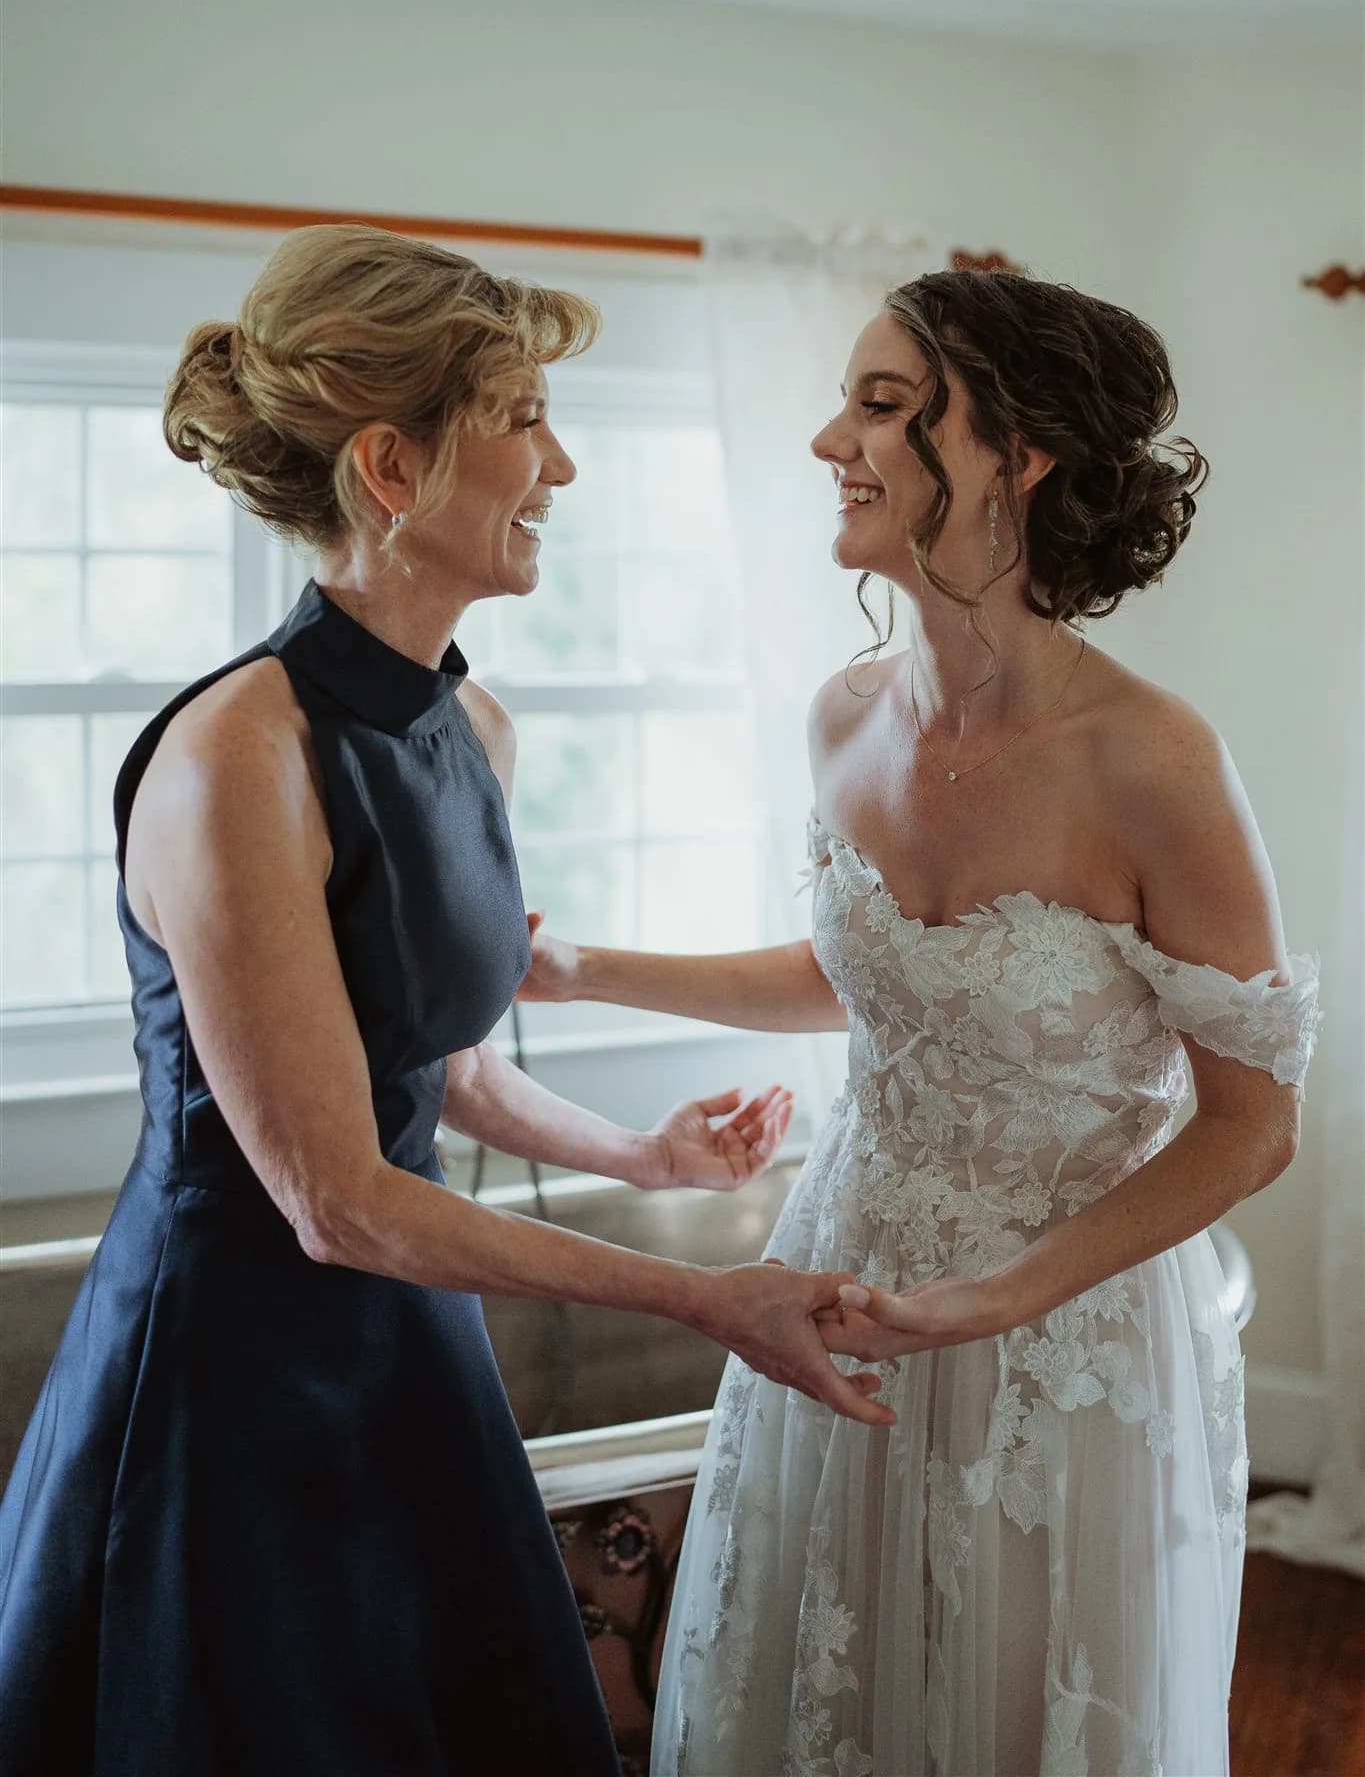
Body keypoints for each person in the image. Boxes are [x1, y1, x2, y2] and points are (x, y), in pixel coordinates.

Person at [0, 225, 889, 1777]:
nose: (560, 467)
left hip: (411, 1334)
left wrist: (641, 1159)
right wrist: (704, 1295)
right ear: (394, 470)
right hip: (239, 1370)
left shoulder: (472, 721)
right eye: (524, 419)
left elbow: (440, 1064)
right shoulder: (236, 761)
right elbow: (336, 1199)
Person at [520, 270, 1323, 1777]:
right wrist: (579, 970)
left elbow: (1250, 1122)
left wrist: (1005, 1294)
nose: (832, 437)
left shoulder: (1151, 758)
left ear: (1017, 454)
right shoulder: (842, 713)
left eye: (883, 406)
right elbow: (867, 976)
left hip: (1066, 1334)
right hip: (841, 1275)